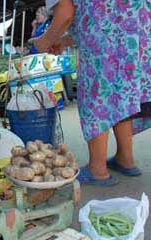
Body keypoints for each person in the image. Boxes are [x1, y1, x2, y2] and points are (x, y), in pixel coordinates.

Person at [32, 0, 151, 186]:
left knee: (97, 95)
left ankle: (97, 169)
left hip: (110, 35)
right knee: (122, 92)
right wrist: (63, 40)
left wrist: (43, 42)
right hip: (138, 28)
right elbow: (100, 12)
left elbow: (66, 11)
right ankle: (125, 159)